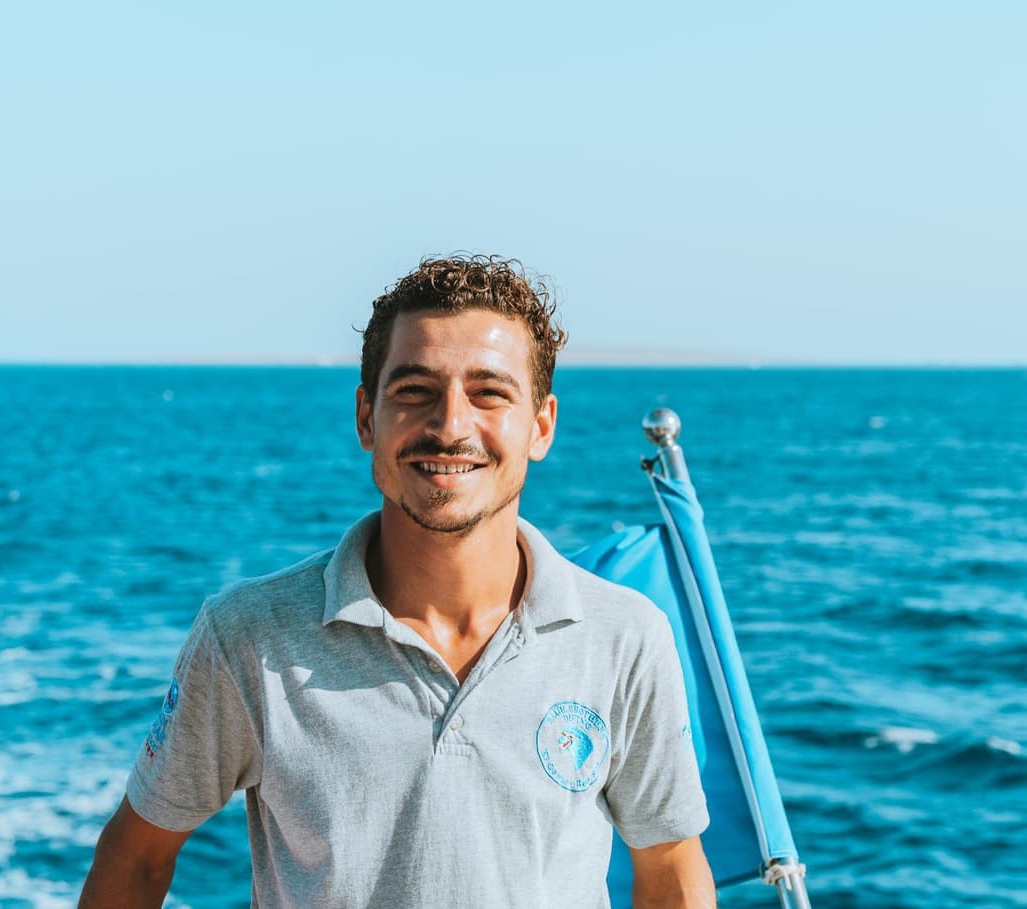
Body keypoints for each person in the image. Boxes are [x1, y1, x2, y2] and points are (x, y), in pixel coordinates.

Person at [79, 255, 715, 908]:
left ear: (541, 425)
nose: (450, 425)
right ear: (366, 417)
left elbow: (669, 868)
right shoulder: (248, 636)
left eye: (489, 392)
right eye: (414, 389)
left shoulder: (625, 637)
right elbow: (137, 856)